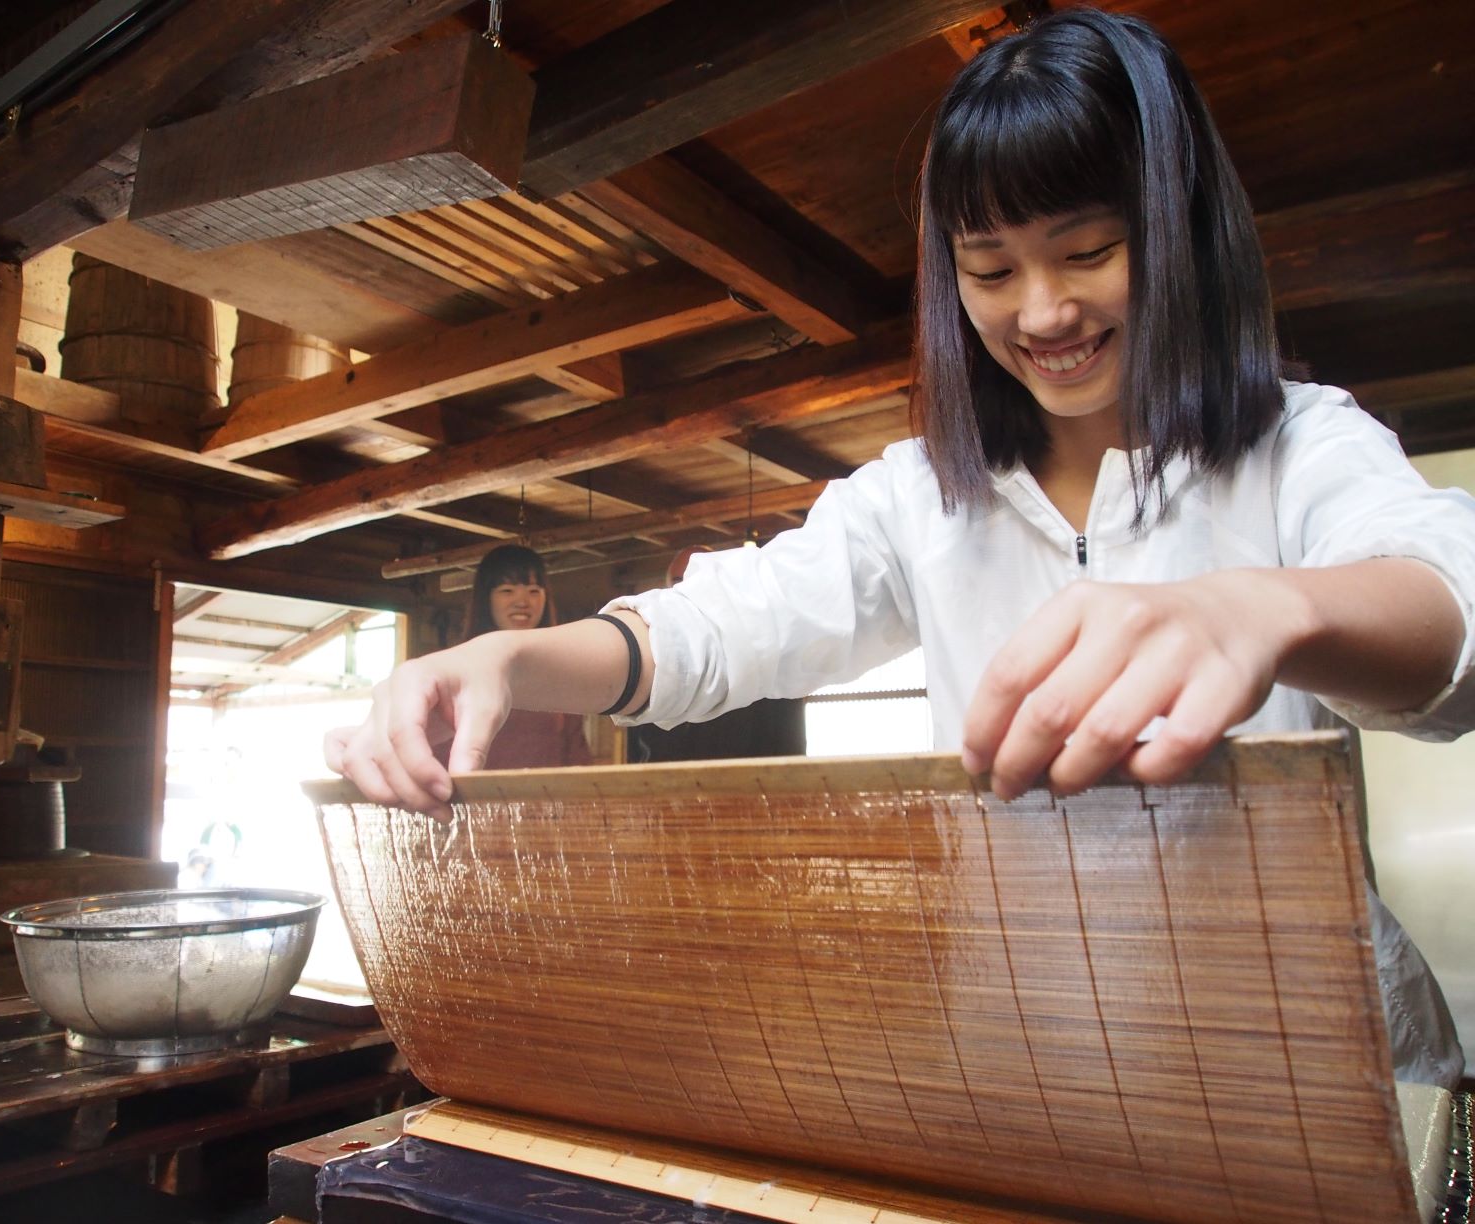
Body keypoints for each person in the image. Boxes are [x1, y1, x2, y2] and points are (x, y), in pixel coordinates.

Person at [327, 10, 1471, 1087]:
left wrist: (1262, 610)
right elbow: (726, 625)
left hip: (1317, 1066)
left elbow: (1448, 602)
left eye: (1088, 251)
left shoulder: (1298, 445)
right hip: (1047, 1066)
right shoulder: (923, 497)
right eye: (990, 270)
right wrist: (509, 663)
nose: (1043, 312)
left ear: (1181, 236)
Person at [626, 546, 806, 763]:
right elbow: (638, 752)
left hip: (745, 789)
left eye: (694, 578)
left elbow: (787, 751)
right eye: (677, 581)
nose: (685, 589)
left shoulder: (761, 652)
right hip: (667, 790)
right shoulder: (655, 658)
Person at [438, 543, 591, 771]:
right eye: (507, 590)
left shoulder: (560, 673)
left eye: (533, 591)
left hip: (548, 802)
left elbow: (576, 757)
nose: (522, 601)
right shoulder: (458, 669)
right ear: (486, 599)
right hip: (474, 802)